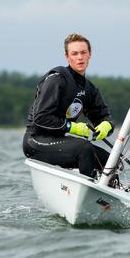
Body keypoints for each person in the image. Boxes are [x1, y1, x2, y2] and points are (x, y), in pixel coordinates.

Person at [23, 33, 118, 186]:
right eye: (74, 54)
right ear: (67, 57)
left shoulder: (89, 89)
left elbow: (104, 116)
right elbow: (40, 118)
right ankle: (89, 189)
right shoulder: (57, 79)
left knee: (111, 160)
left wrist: (106, 126)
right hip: (35, 141)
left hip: (59, 141)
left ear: (90, 55)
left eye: (83, 53)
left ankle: (111, 197)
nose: (80, 57)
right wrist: (73, 128)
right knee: (84, 148)